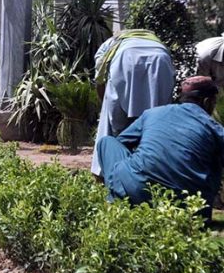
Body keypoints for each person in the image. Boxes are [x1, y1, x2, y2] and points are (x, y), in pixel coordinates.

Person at [96, 76, 224, 221]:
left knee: (106, 142)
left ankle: (117, 199)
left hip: (139, 191)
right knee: (215, 162)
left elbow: (120, 143)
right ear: (208, 102)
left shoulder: (153, 113)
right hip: (190, 207)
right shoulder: (216, 130)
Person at [91, 30, 175, 176]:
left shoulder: (108, 45)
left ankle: (113, 170)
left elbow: (99, 76)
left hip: (126, 58)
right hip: (161, 59)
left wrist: (104, 103)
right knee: (158, 120)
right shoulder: (155, 40)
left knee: (115, 123)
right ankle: (156, 170)